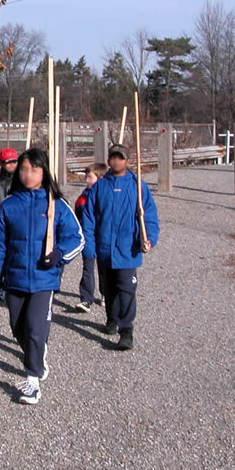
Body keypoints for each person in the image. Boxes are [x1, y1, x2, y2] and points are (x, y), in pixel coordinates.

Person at [0, 148, 84, 405]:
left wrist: (60, 254)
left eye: (34, 169)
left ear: (44, 172)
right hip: (15, 278)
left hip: (44, 279)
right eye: (24, 169)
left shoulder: (56, 205)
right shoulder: (9, 206)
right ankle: (35, 353)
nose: (28, 174)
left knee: (36, 329)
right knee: (19, 329)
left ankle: (33, 380)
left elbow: (77, 237)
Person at [81, 144, 159, 351]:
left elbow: (149, 216)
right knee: (109, 289)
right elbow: (89, 219)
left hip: (127, 249)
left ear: (128, 161)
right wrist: (89, 245)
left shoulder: (138, 186)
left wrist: (148, 238)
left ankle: (126, 330)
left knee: (126, 289)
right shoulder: (100, 187)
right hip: (105, 249)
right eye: (113, 157)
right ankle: (112, 318)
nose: (116, 161)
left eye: (120, 158)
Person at [73, 163, 108, 313]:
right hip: (87, 236)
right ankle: (86, 299)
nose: (86, 180)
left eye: (90, 177)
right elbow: (77, 217)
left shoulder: (106, 196)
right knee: (88, 267)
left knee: (104, 268)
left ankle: (105, 293)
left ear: (100, 179)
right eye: (86, 176)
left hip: (103, 237)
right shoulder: (82, 198)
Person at [0, 148, 18, 303]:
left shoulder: (22, 180)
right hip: (0, 224)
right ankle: (1, 286)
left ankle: (12, 285)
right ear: (1, 163)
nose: (12, 165)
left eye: (14, 161)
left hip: (17, 223)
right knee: (1, 255)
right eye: (8, 162)